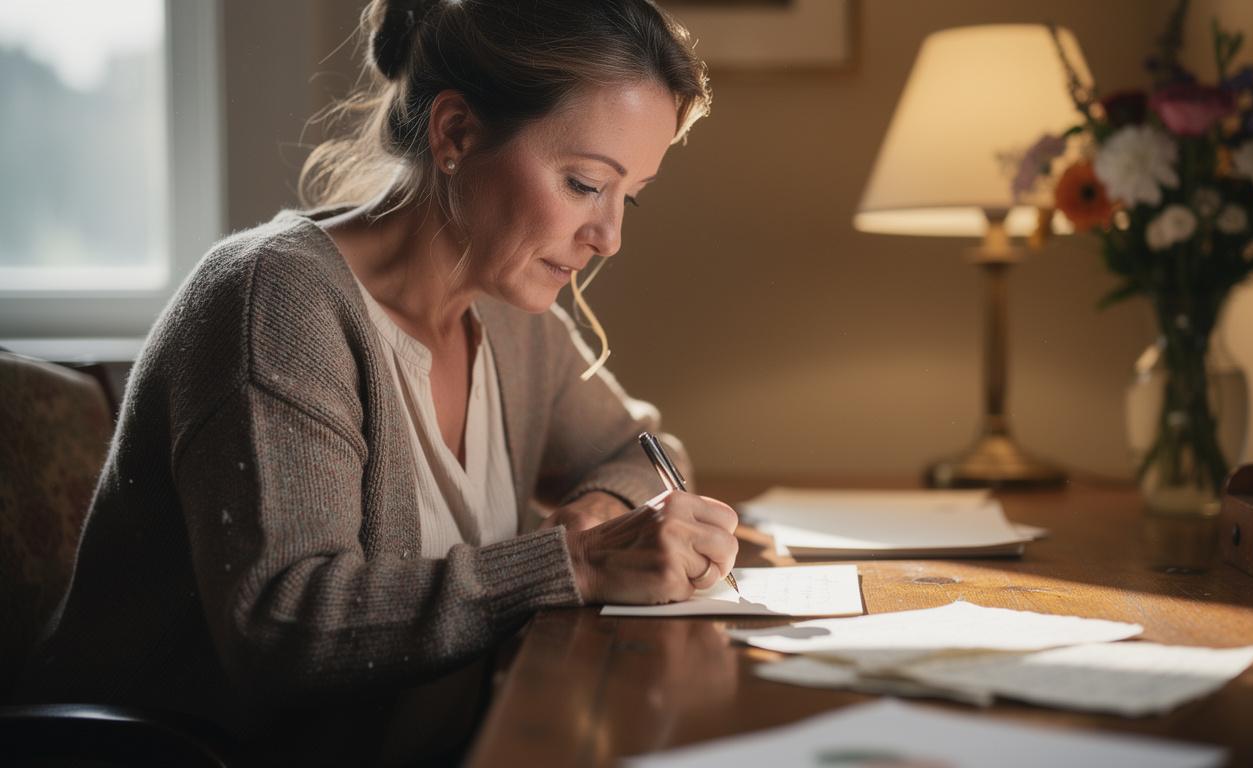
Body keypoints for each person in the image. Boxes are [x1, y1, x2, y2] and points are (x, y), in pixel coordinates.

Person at [17, 0, 736, 764]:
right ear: (455, 132)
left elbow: (645, 452)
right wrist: (577, 562)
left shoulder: (513, 316)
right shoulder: (275, 302)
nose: (610, 237)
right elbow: (282, 624)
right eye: (586, 183)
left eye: (631, 196)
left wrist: (599, 514)